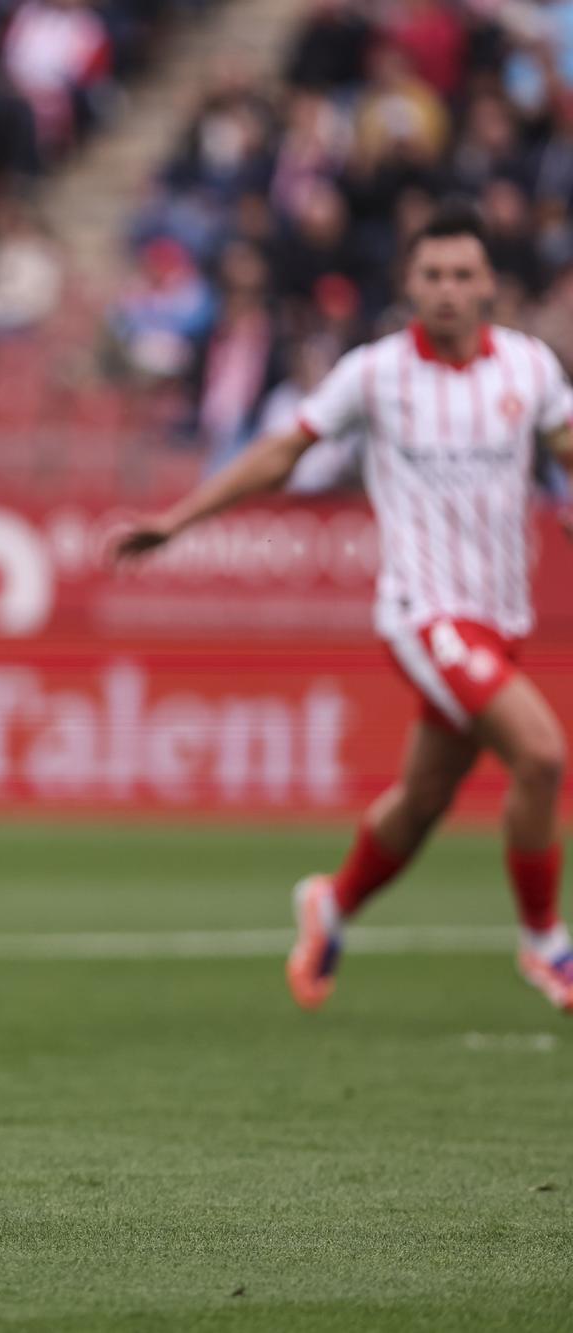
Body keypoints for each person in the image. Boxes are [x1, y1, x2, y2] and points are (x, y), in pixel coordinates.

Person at [114, 203, 573, 1013]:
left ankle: (334, 901)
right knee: (539, 755)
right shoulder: (377, 372)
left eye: (464, 274)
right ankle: (546, 943)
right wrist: (180, 518)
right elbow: (284, 451)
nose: (448, 290)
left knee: (426, 797)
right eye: (432, 275)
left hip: (502, 617)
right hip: (423, 610)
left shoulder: (530, 369)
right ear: (408, 282)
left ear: (489, 283)